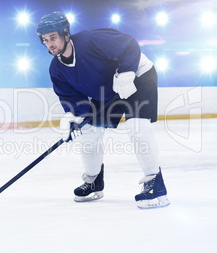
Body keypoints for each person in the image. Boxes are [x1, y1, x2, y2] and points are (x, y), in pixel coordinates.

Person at [36, 11, 170, 209]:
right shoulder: (56, 69)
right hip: (107, 90)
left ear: (65, 33)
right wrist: (74, 117)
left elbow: (129, 44)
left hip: (138, 75)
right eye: (45, 40)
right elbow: (72, 99)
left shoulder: (91, 40)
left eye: (53, 37)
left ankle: (155, 184)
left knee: (136, 127)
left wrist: (126, 73)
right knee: (88, 131)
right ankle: (94, 181)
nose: (50, 44)